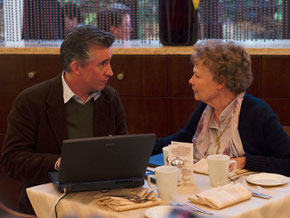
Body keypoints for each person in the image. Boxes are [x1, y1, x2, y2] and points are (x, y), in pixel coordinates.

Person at [0, 25, 128, 214]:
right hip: (48, 206)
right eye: (103, 63)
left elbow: (122, 149)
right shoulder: (32, 101)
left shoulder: (110, 98)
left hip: (102, 202)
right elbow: (11, 160)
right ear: (76, 67)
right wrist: (59, 163)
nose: (110, 71)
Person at [153, 39, 290, 176]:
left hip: (246, 194)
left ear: (220, 82)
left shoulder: (257, 112)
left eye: (197, 76)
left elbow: (287, 162)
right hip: (206, 189)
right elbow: (182, 139)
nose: (191, 81)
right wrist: (140, 148)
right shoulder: (205, 109)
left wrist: (246, 161)